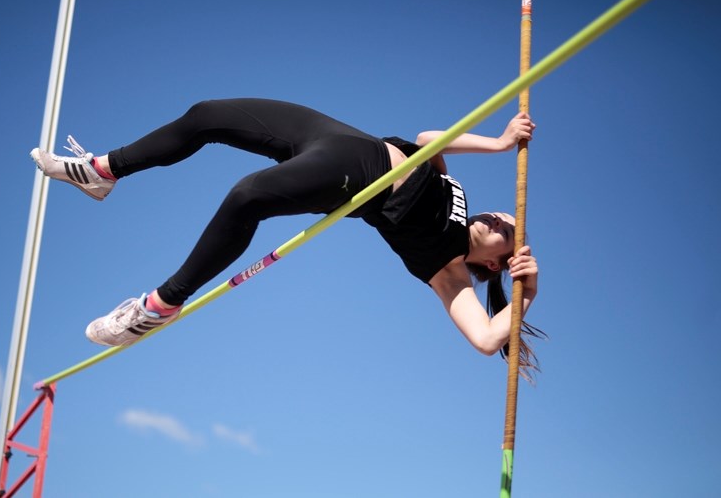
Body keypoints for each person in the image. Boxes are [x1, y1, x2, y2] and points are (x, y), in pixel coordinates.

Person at [31, 98, 543, 376]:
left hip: (356, 178)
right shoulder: (457, 192)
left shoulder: (449, 269)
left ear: (496, 265)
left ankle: (161, 305)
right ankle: (103, 171)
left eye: (509, 232)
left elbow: (485, 340)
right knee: (206, 116)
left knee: (247, 196)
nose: (500, 218)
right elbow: (433, 139)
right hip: (340, 136)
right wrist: (500, 144)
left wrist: (528, 295)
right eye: (504, 214)